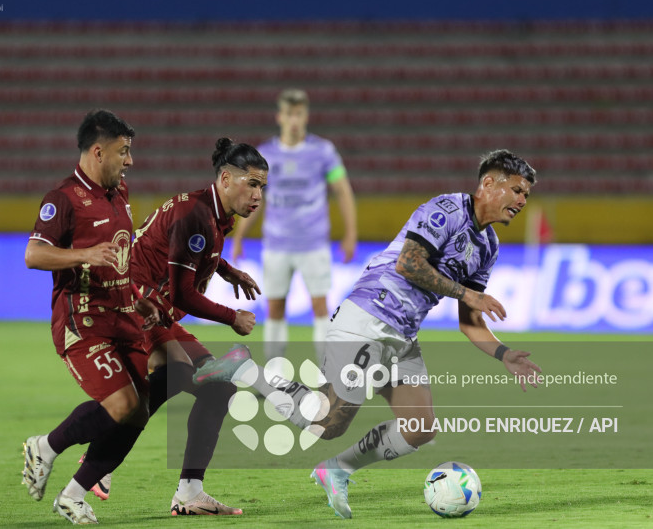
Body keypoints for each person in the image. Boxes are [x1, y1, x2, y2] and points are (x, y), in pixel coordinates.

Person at [195, 149, 543, 519]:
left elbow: (470, 321)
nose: (522, 200)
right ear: (489, 183)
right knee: (326, 423)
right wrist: (467, 292)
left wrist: (503, 353)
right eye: (517, 190)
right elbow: (408, 263)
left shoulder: (488, 246)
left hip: (402, 334)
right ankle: (243, 369)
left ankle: (337, 470)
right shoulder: (447, 210)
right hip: (370, 315)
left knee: (420, 427)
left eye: (526, 195)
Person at [83, 138, 268, 516]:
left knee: (214, 389)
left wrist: (227, 270)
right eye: (252, 183)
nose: (258, 194)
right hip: (135, 303)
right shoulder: (196, 216)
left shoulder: (215, 214)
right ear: (226, 177)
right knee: (177, 372)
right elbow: (184, 294)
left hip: (156, 309)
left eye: (263, 186)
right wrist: (233, 317)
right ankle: (95, 457)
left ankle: (189, 492)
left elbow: (191, 255)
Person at [22, 109, 159, 525]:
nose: (130, 161)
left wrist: (137, 298)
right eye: (124, 152)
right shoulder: (62, 199)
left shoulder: (120, 193)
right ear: (98, 152)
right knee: (121, 404)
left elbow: (118, 259)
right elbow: (33, 255)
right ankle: (45, 446)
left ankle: (73, 494)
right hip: (82, 322)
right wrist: (82, 253)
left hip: (123, 318)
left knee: (140, 411)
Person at [232, 88, 357, 365]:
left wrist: (350, 233)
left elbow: (343, 190)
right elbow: (255, 199)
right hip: (276, 244)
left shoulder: (323, 151)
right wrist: (239, 235)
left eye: (299, 114)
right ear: (280, 117)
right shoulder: (265, 155)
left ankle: (328, 371)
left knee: (320, 307)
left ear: (306, 116)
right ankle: (276, 372)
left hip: (313, 243)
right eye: (289, 114)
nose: (294, 120)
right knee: (275, 307)